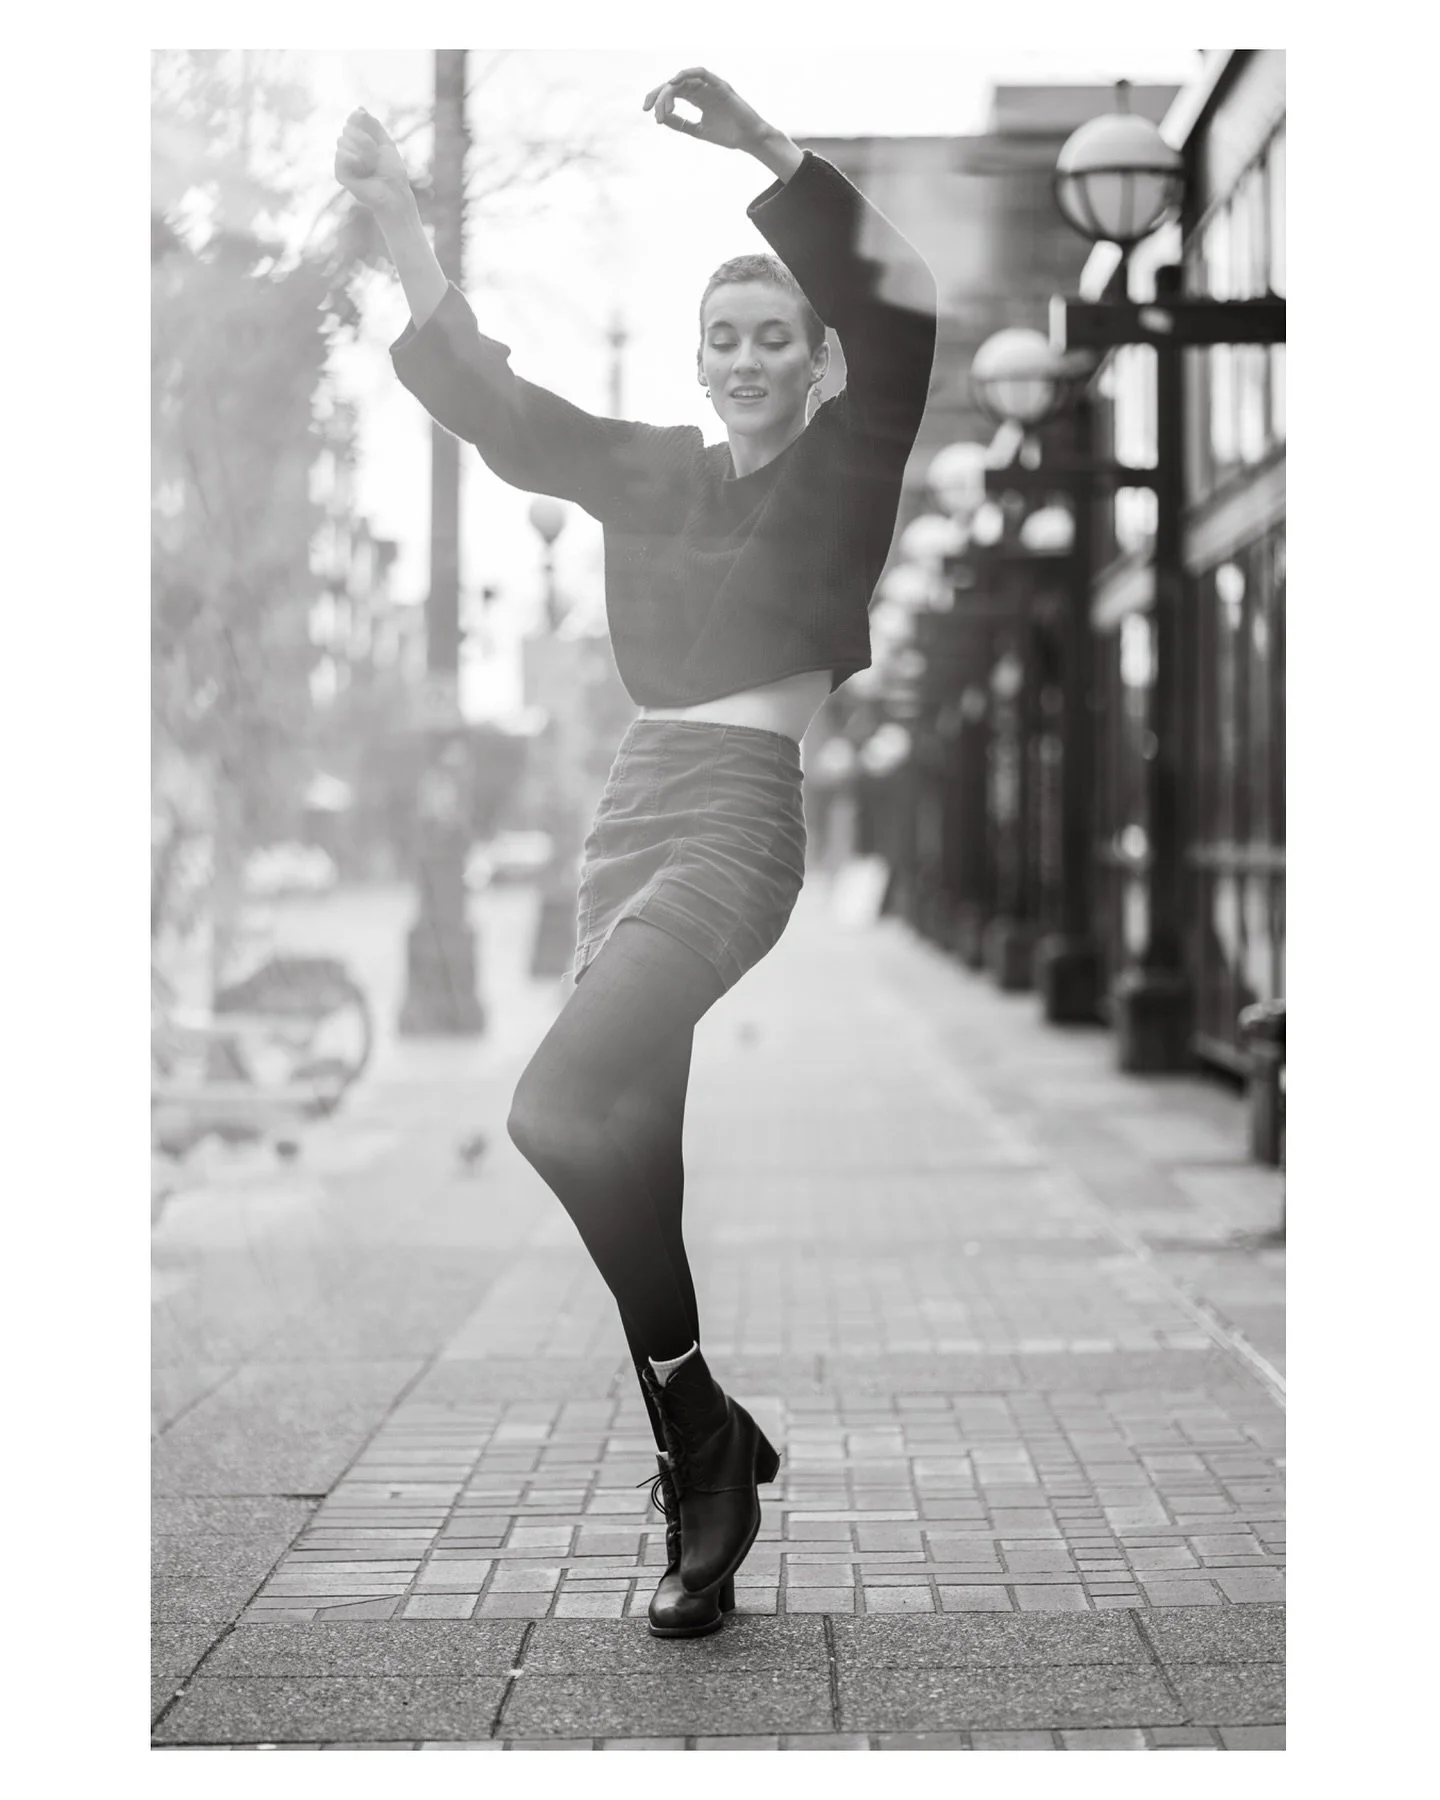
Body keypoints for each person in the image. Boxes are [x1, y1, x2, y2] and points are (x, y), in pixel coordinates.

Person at [334, 67, 936, 1638]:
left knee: (553, 1106)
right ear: (701, 360)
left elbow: (911, 304)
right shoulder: (654, 472)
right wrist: (403, 225)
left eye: (773, 341)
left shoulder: (845, 467)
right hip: (629, 815)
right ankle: (702, 1464)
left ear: (816, 367)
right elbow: (501, 410)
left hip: (739, 822)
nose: (746, 360)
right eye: (724, 339)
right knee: (631, 1153)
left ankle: (696, 1427)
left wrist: (763, 151)